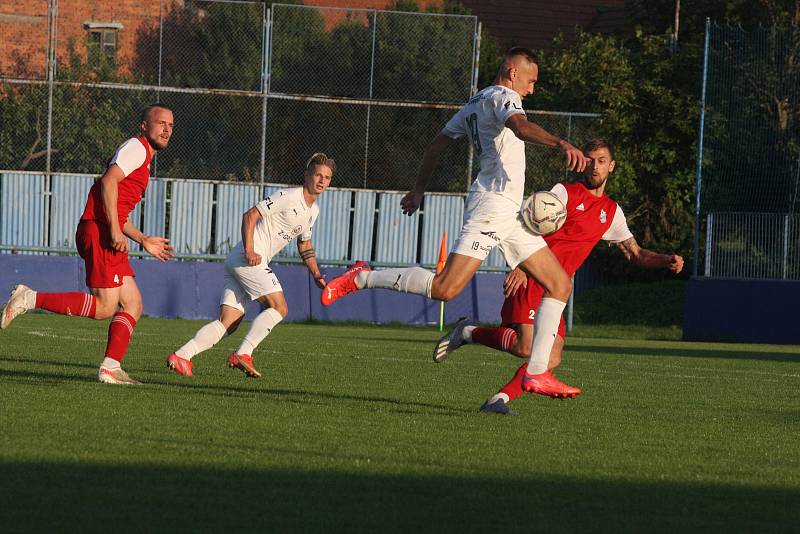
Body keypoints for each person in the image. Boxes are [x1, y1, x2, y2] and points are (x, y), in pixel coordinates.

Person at [322, 47, 590, 398]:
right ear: (512, 73)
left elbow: (435, 146)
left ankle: (536, 374)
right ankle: (361, 277)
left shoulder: (474, 102)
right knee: (446, 289)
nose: (532, 89)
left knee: (559, 284)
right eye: (531, 80)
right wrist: (560, 142)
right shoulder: (502, 97)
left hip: (509, 213)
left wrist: (418, 189)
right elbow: (521, 128)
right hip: (492, 206)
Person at [433, 139, 684, 415]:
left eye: (601, 160)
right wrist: (520, 264)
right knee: (525, 346)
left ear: (612, 166)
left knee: (551, 358)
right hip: (532, 277)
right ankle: (468, 332)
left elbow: (634, 254)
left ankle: (499, 400)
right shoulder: (564, 192)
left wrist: (665, 260)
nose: (594, 166)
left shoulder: (611, 213)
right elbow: (528, 225)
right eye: (589, 160)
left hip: (556, 291)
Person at [0, 104, 175, 385]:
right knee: (107, 307)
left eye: (170, 125)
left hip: (102, 229)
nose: (167, 129)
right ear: (144, 126)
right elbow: (107, 183)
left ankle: (111, 367)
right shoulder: (137, 148)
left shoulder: (142, 157)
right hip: (100, 231)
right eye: (160, 123)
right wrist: (116, 232)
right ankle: (29, 298)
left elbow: (116, 206)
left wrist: (142, 239)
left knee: (133, 303)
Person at [165, 153, 333, 378]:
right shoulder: (288, 196)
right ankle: (244, 353)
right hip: (249, 258)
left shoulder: (313, 211)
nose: (322, 180)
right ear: (307, 175)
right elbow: (250, 215)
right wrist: (250, 249)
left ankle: (182, 356)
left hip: (242, 260)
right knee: (279, 307)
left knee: (229, 322)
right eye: (317, 175)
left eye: (327, 177)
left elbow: (305, 244)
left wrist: (316, 274)